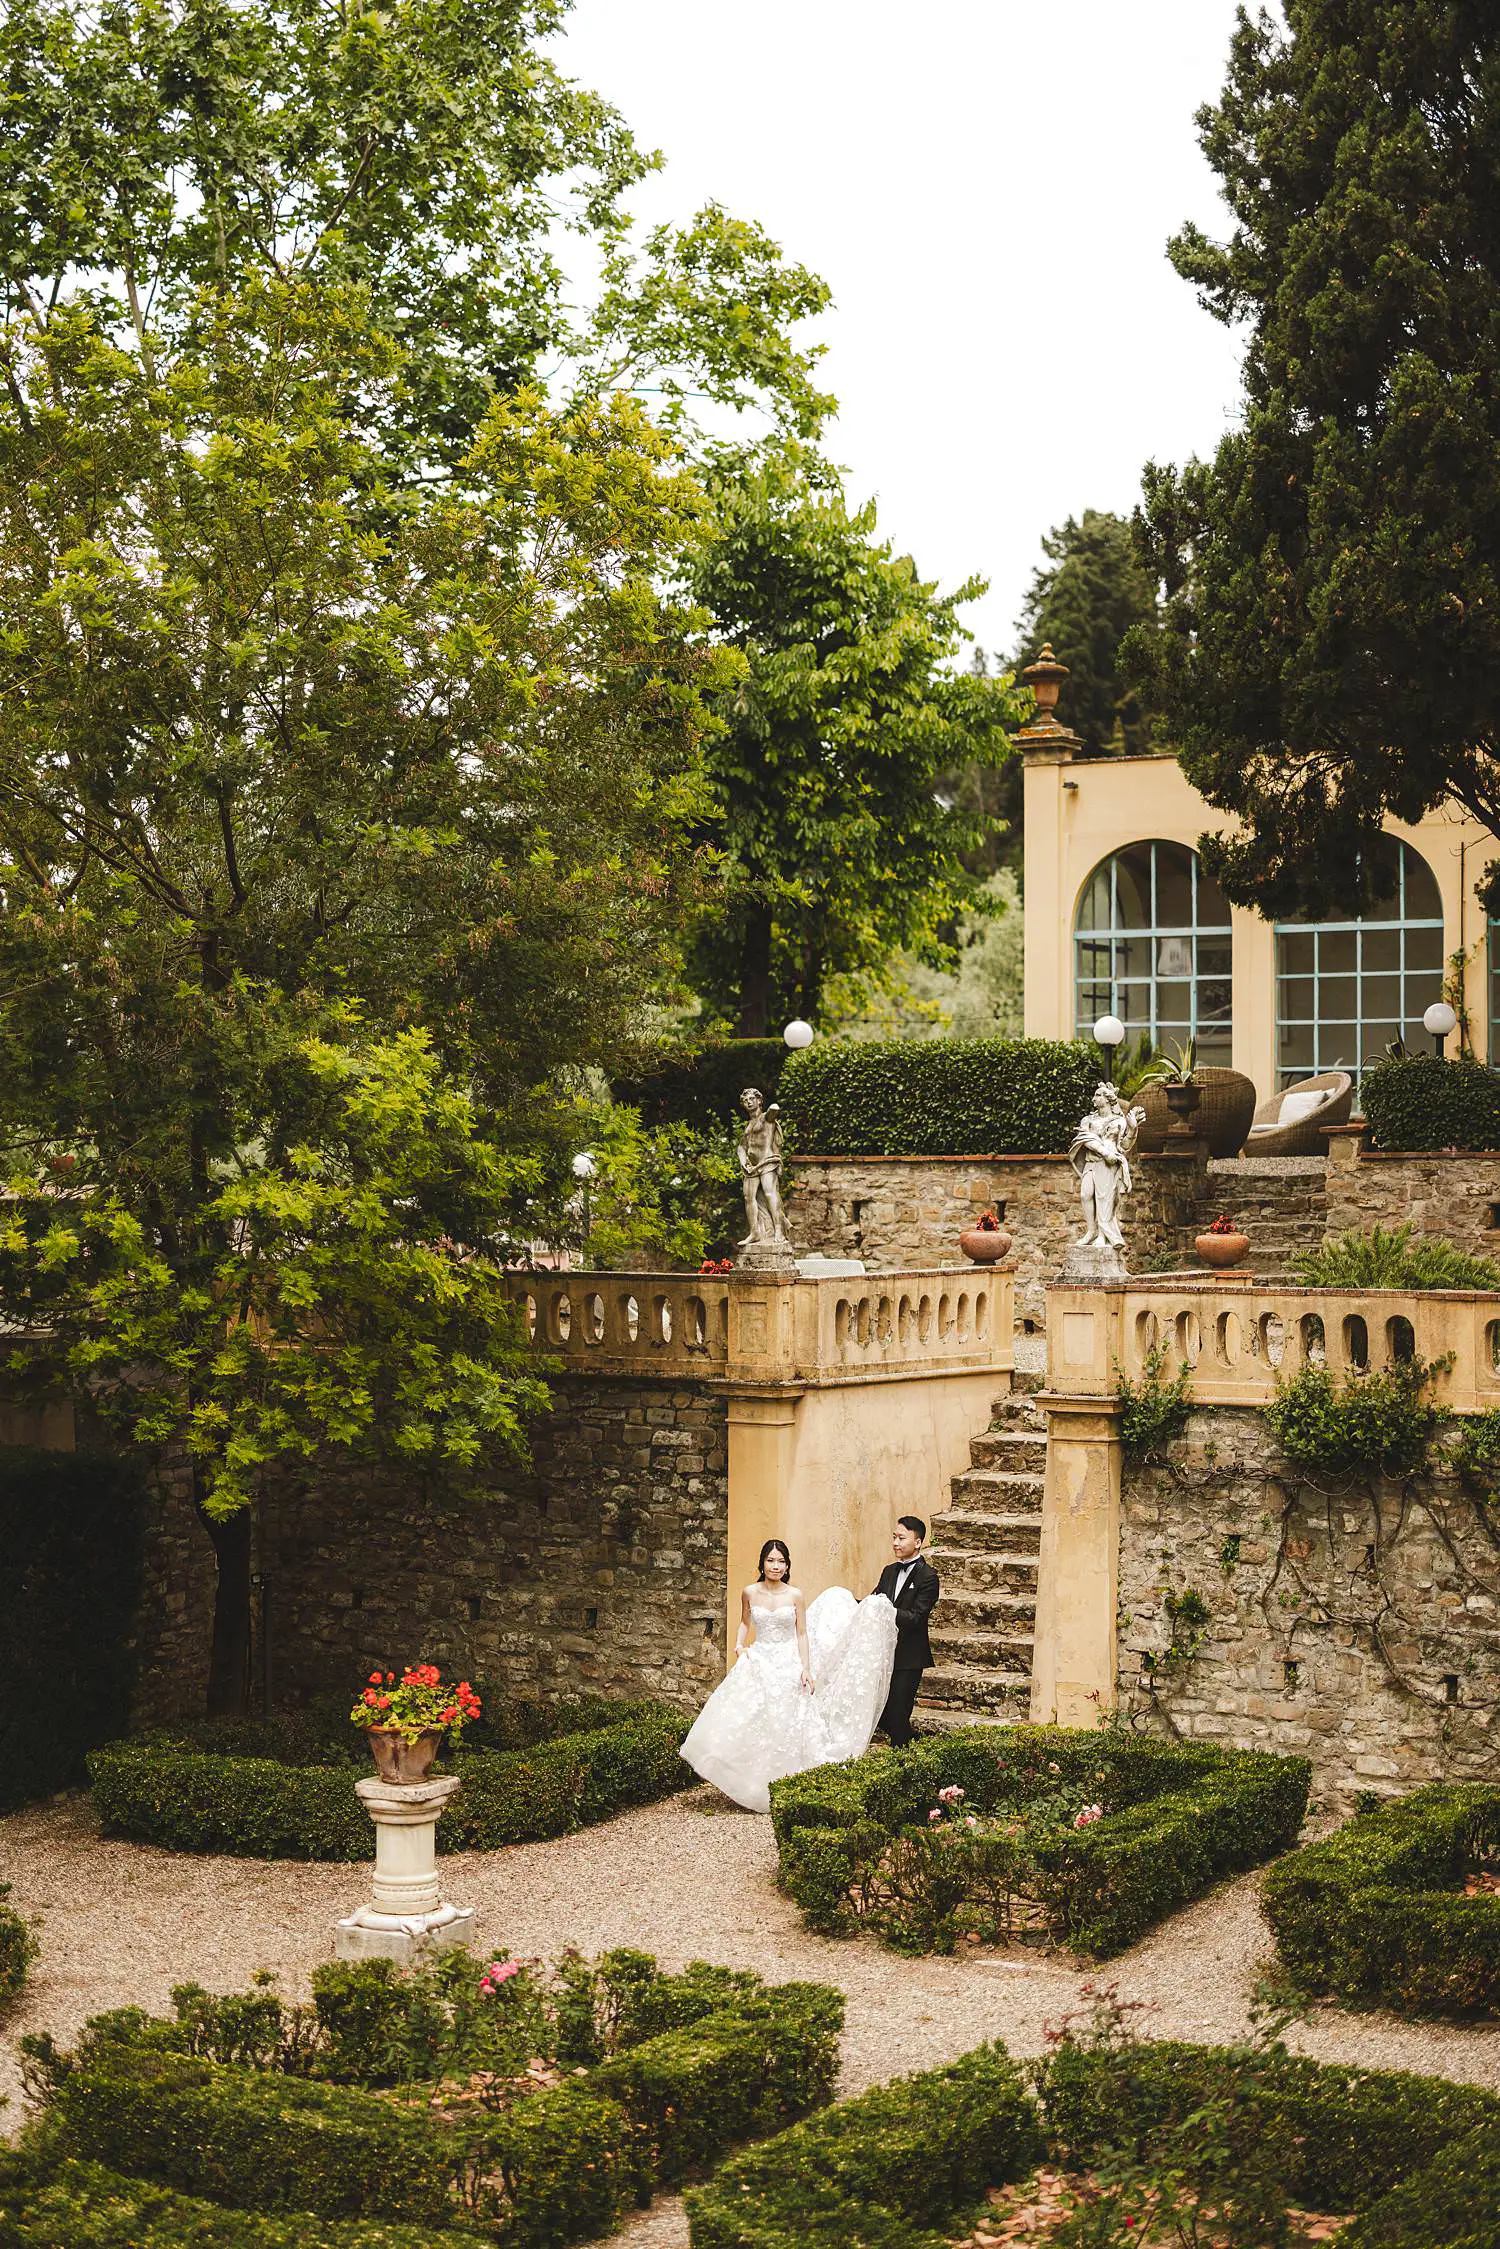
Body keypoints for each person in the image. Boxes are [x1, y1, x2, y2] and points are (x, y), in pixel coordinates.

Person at [678, 1538, 898, 1813]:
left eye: (781, 1561)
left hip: (787, 1661)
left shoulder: (795, 1595)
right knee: (752, 1717)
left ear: (787, 1565)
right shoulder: (749, 1592)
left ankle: (783, 1783)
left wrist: (806, 1668)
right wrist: (738, 1645)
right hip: (759, 1658)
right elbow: (745, 1622)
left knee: (787, 1721)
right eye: (771, 1560)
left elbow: (802, 1633)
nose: (776, 1565)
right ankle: (751, 1784)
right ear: (762, 1563)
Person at [871, 1516, 940, 1747]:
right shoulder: (888, 1571)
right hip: (883, 1654)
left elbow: (916, 1618)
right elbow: (874, 1601)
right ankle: (913, 1741)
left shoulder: (928, 1577)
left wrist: (887, 1609)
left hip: (909, 1657)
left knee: (899, 1713)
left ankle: (903, 1760)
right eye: (894, 1537)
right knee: (877, 1712)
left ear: (918, 1542)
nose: (895, 1543)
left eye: (901, 1538)